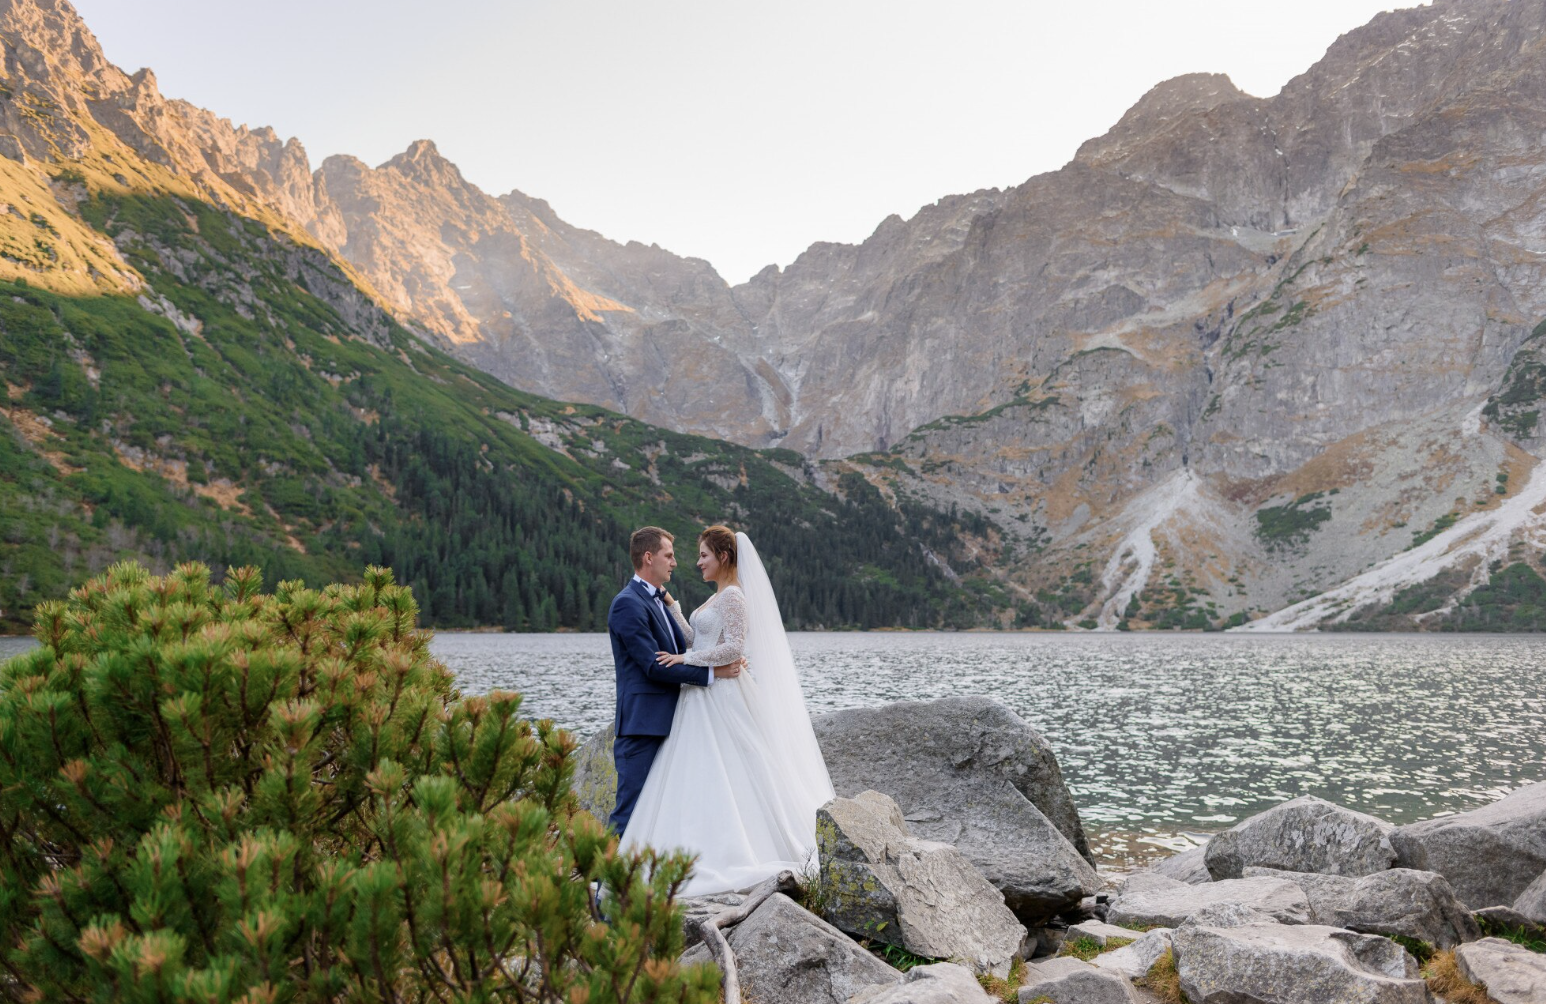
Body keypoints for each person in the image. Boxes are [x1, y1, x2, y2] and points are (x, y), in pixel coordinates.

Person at [615, 525, 835, 895]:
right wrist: (675, 609)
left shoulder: (734, 597)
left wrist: (690, 660)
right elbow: (694, 637)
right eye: (689, 554)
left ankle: (727, 849)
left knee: (734, 768)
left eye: (703, 555)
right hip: (702, 696)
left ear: (724, 557)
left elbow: (733, 647)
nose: (695, 561)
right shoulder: (713, 598)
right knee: (699, 771)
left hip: (722, 696)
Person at [605, 526, 743, 836]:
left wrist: (722, 656)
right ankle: (604, 884)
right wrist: (714, 672)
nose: (676, 562)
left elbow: (690, 644)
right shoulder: (628, 603)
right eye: (669, 555)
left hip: (672, 721)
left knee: (660, 808)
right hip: (643, 725)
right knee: (631, 809)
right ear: (648, 557)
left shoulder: (654, 600)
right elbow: (655, 666)